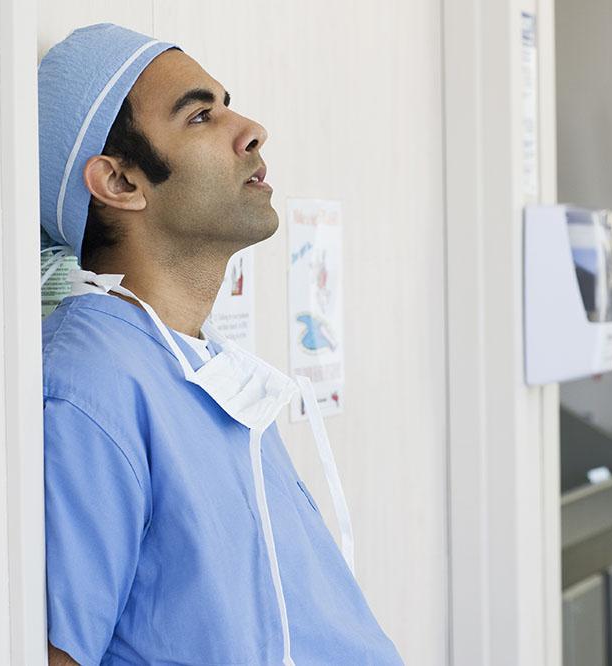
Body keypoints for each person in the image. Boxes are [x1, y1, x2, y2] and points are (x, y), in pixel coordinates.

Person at [38, 24, 402, 666]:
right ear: (120, 182)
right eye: (201, 115)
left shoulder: (212, 376)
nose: (251, 129)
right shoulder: (88, 386)